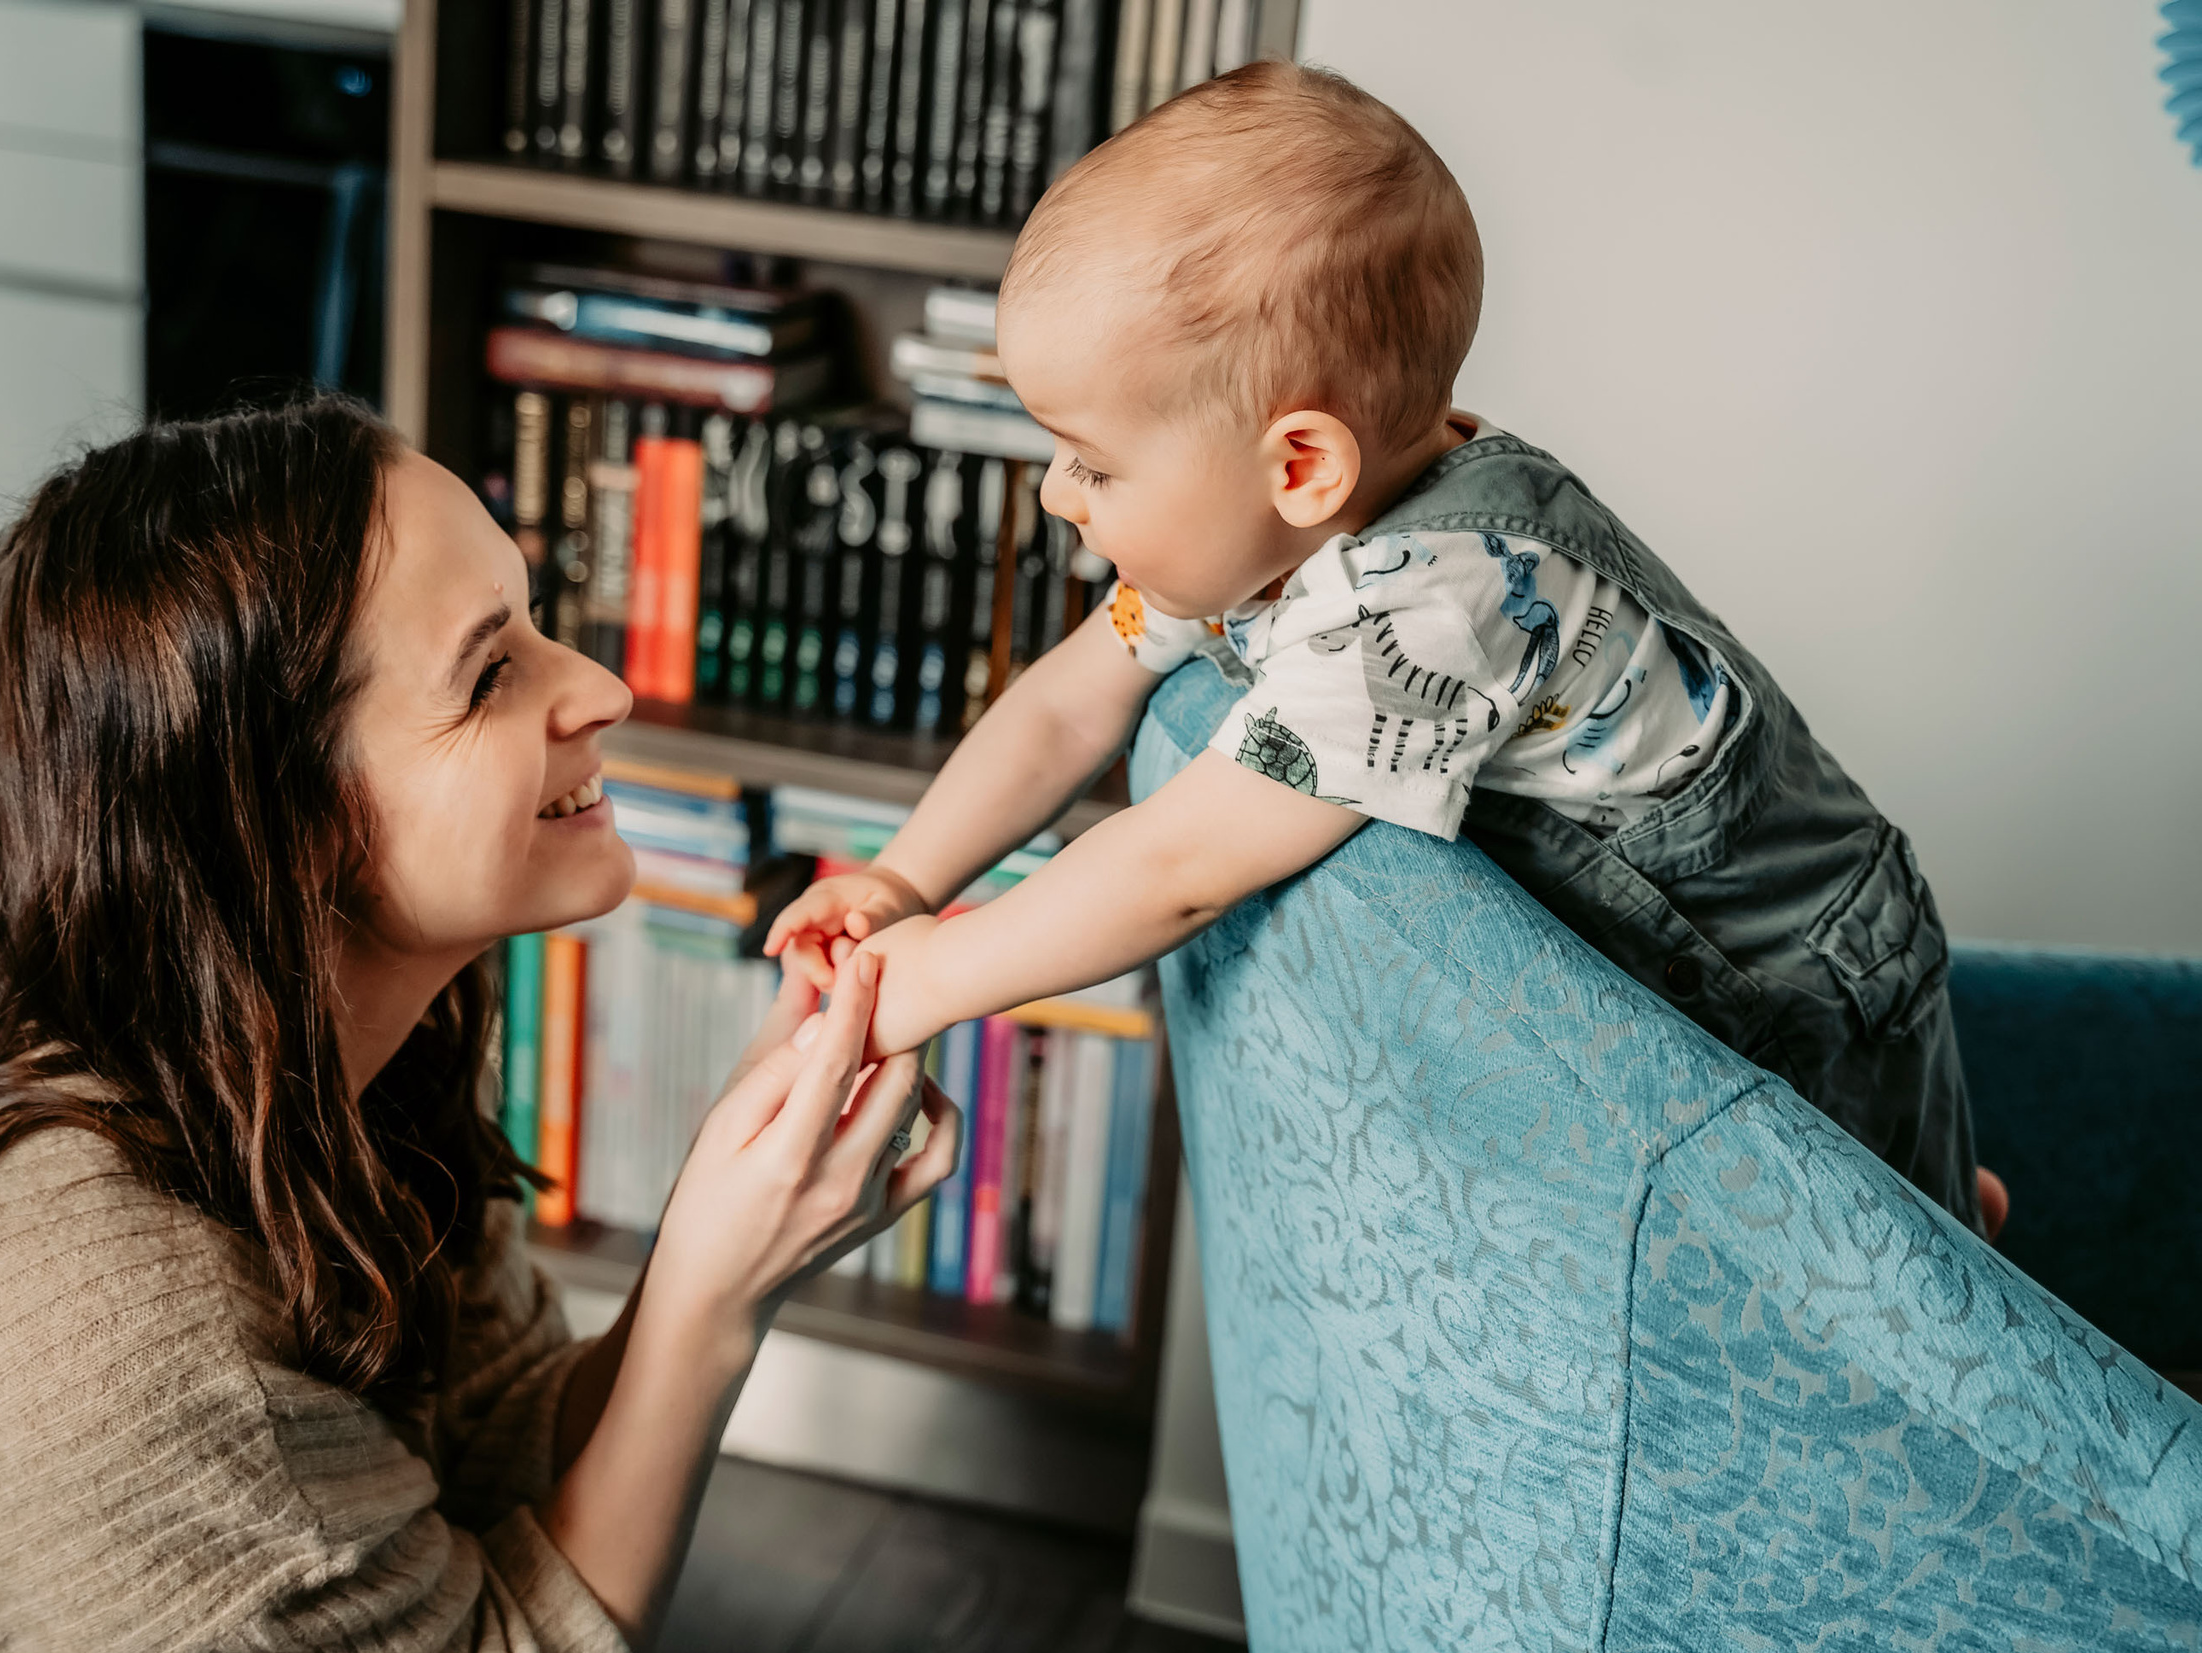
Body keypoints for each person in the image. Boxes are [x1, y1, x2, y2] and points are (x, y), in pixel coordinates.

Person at [0, 397, 960, 1653]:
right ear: (290, 820)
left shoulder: (305, 1057)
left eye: (535, 621)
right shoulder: (109, 1330)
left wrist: (721, 1235)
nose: (603, 689)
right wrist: (714, 1300)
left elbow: (486, 1443)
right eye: (489, 675)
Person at [765, 62, 2006, 1241]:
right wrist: (905, 879)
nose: (1053, 494)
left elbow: (1178, 866)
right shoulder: (1257, 537)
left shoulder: (1430, 608)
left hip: (1795, 961)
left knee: (1892, 1261)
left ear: (1300, 463)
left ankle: (1966, 1218)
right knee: (1881, 1213)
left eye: (1091, 461)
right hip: (1694, 952)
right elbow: (1062, 710)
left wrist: (932, 979)